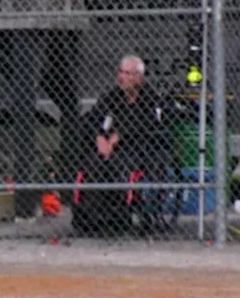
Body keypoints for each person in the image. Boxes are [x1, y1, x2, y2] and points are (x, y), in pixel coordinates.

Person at [72, 55, 171, 235]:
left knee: (119, 165)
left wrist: (117, 137)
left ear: (139, 77)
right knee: (94, 163)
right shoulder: (112, 96)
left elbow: (147, 124)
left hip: (139, 148)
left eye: (127, 73)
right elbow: (93, 118)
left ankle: (119, 217)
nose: (122, 77)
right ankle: (93, 219)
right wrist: (99, 138)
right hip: (109, 147)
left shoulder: (149, 98)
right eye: (120, 72)